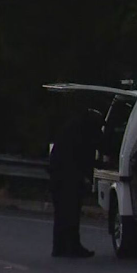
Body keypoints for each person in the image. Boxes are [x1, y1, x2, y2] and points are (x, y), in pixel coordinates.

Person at [49, 109, 104, 258]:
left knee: (61, 212)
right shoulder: (80, 133)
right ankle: (72, 246)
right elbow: (84, 156)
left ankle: (60, 247)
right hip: (67, 176)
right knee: (71, 212)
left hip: (58, 174)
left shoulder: (72, 129)